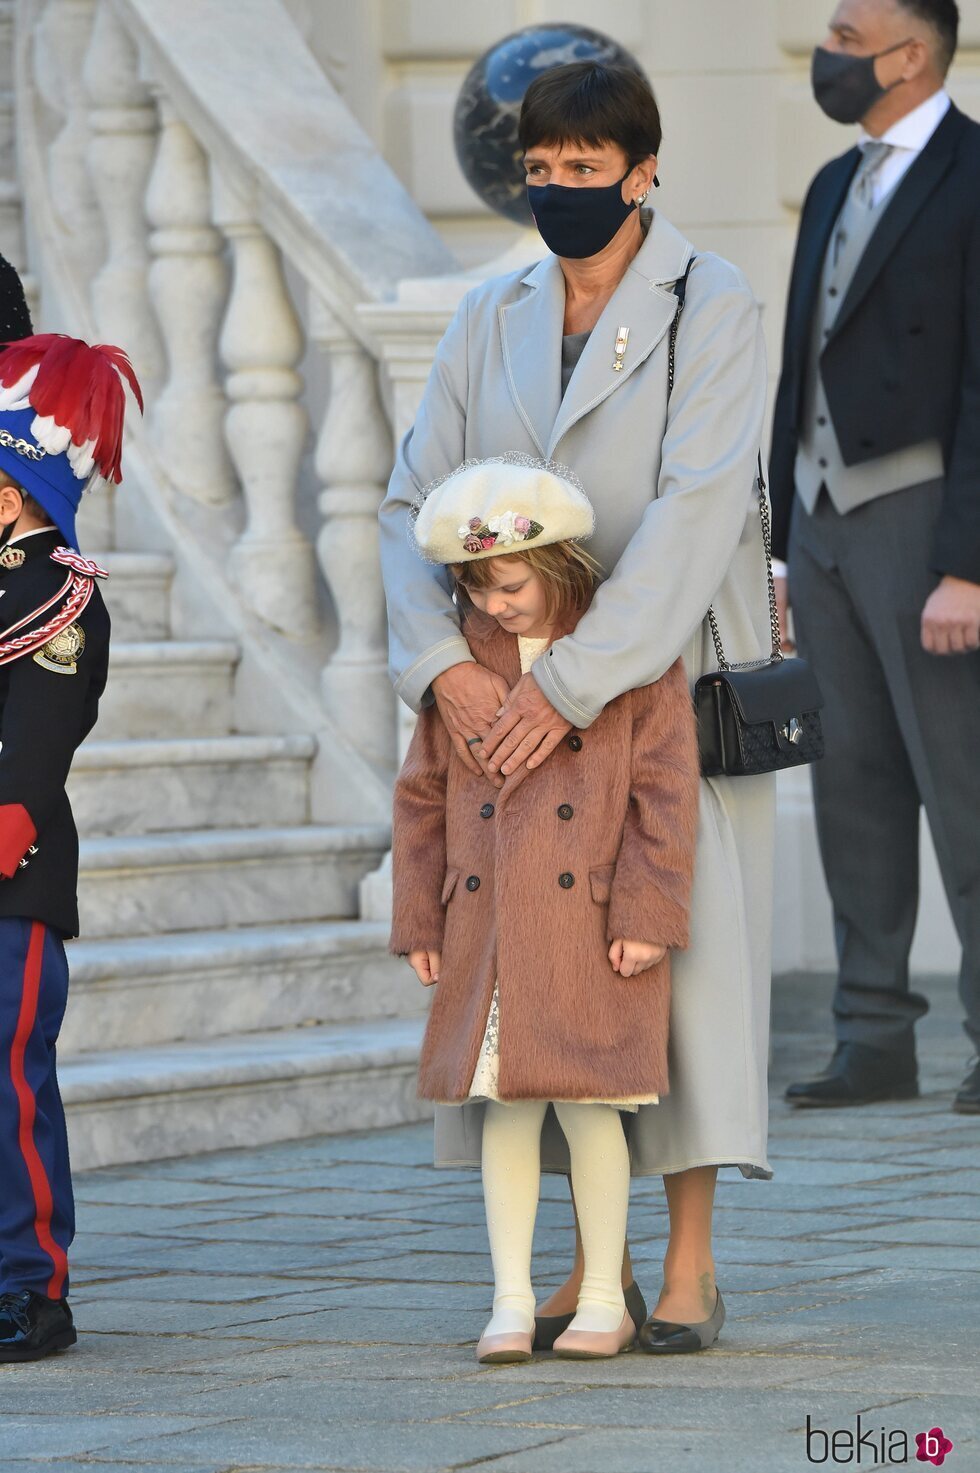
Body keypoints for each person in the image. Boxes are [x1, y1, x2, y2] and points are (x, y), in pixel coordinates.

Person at [379, 59, 776, 1353]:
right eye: (541, 172)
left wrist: (570, 682)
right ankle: (574, 1263)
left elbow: (697, 508)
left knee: (676, 958)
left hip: (658, 680)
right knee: (531, 980)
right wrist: (443, 668)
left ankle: (690, 1260)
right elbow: (406, 503)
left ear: (644, 170)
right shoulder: (487, 312)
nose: (560, 192)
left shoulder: (712, 303)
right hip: (491, 692)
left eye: (586, 171)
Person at [389, 457, 700, 1362]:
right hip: (487, 923)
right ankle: (511, 1299)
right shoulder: (461, 670)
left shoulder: (629, 652)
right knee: (508, 1111)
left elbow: (664, 794)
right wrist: (420, 916)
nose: (493, 606)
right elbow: (421, 796)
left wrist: (648, 912)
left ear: (560, 563)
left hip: (591, 926)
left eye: (510, 584)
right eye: (475, 589)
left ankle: (605, 1294)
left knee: (594, 1107)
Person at [769, 0, 980, 1112]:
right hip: (818, 519)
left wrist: (971, 565)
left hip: (925, 515)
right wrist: (772, 546)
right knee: (849, 782)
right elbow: (795, 368)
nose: (829, 55)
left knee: (966, 785)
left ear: (909, 56)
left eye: (847, 39)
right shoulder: (828, 184)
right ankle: (871, 1039)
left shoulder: (974, 173)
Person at [0, 333, 142, 1361]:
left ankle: (30, 1287)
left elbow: (37, 740)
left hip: (11, 875)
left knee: (7, 1083)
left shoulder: (59, 587)